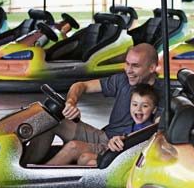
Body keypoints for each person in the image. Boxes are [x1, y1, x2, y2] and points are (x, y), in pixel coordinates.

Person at [24, 43, 163, 164]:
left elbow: (157, 131)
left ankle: (32, 179)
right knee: (49, 120)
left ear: (152, 67)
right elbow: (81, 85)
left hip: (121, 146)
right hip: (104, 136)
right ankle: (24, 166)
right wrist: (71, 103)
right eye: (127, 63)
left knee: (73, 147)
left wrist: (126, 140)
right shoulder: (122, 80)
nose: (128, 70)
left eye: (135, 66)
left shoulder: (162, 94)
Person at [49, 84, 159, 166]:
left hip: (124, 161)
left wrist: (121, 139)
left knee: (86, 159)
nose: (138, 109)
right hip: (117, 154)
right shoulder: (134, 124)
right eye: (134, 104)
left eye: (144, 106)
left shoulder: (149, 128)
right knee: (83, 157)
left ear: (154, 110)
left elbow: (138, 142)